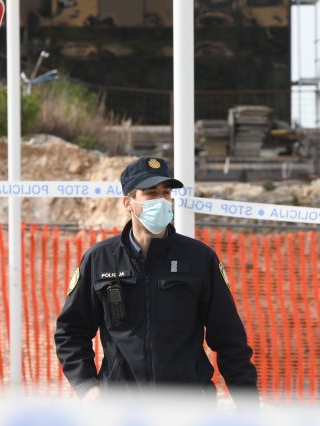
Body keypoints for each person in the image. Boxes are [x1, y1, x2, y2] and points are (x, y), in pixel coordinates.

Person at [55, 156, 259, 407]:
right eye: (151, 193)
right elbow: (71, 332)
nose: (161, 201)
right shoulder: (100, 259)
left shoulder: (199, 258)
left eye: (166, 193)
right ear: (128, 202)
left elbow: (230, 339)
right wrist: (87, 387)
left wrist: (248, 405)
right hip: (121, 411)